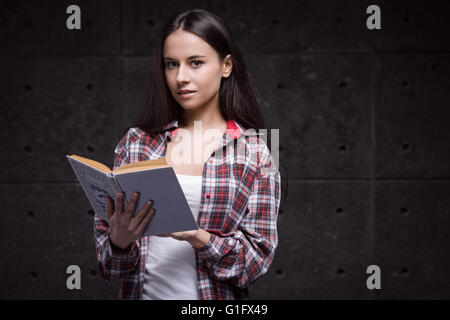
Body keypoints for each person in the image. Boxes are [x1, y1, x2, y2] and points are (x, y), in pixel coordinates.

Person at [94, 8, 282, 300]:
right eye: (171, 64)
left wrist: (197, 236)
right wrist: (119, 242)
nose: (181, 77)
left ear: (226, 66)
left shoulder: (255, 152)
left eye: (195, 63)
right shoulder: (136, 143)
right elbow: (109, 267)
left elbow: (255, 262)